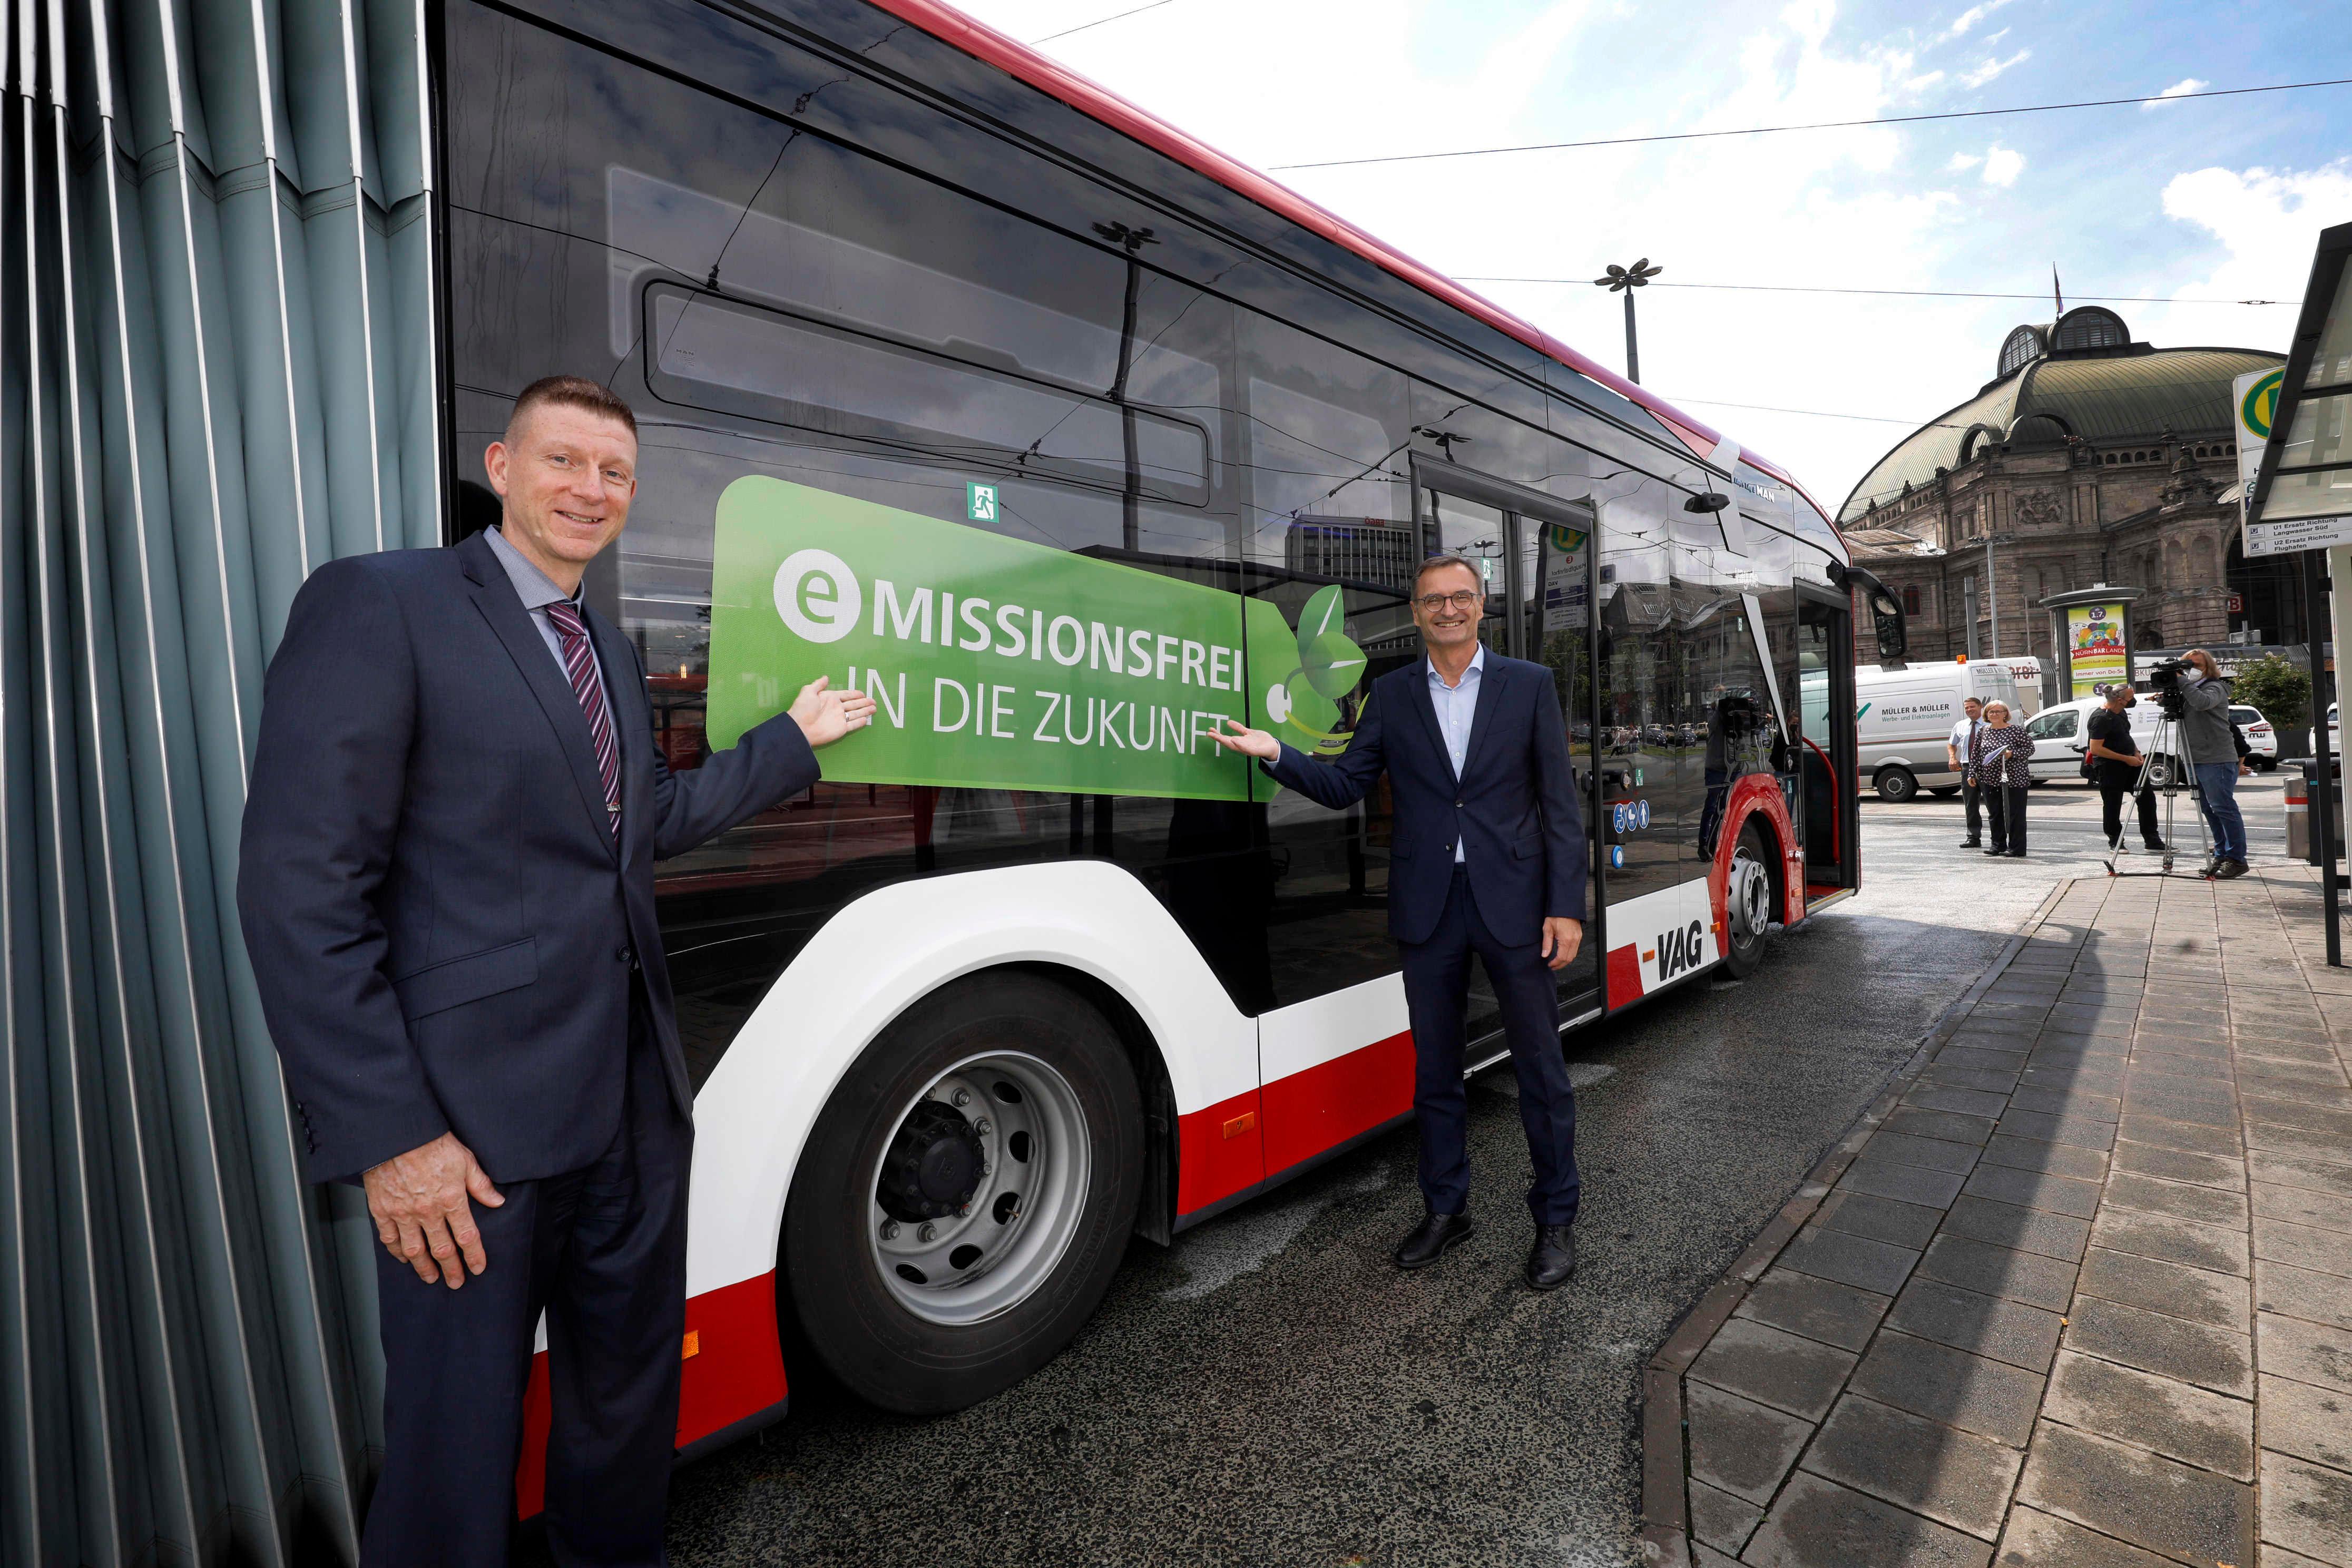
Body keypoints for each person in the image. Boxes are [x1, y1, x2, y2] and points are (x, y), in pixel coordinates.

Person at [237, 376, 875, 1567]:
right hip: (469, 1142)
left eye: (614, 471)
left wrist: (791, 741)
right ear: (501, 466)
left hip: (630, 1116)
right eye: (563, 460)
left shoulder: (607, 651)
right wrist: (393, 1136)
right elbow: (299, 894)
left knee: (625, 1415)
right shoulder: (382, 603)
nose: (590, 489)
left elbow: (649, 821)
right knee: (453, 1453)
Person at [1208, 554, 1588, 1291]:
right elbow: (1346, 782)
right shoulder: (1391, 693)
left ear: (1481, 606)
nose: (1448, 609)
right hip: (1428, 906)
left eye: (1460, 597)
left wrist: (1565, 905)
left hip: (1514, 903)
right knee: (1436, 1073)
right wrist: (1276, 753)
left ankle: (1555, 1220)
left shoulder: (1529, 685)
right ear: (1415, 614)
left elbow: (1558, 806)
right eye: (1432, 600)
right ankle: (1447, 1210)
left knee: (1542, 1071)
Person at [2179, 648, 2249, 878]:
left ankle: (2237, 859)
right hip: (2194, 758)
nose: (2191, 670)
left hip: (2216, 758)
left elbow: (2202, 703)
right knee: (2209, 809)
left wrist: (2182, 682)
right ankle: (2221, 854)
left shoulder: (2215, 687)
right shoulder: (2188, 690)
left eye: (2196, 666)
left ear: (2208, 668)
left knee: (2223, 808)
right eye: (2187, 666)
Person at [2086, 684, 2165, 852]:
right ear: (2120, 700)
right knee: (2113, 804)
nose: (2133, 699)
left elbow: (2125, 736)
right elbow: (2096, 749)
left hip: (2131, 762)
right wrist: (2126, 759)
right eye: (2131, 697)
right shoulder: (2101, 718)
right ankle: (2115, 841)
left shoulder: (2121, 712)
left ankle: (2152, 840)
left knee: (2147, 798)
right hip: (2109, 767)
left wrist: (2136, 752)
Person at [1970, 700, 2035, 857]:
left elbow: (2030, 749)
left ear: (2005, 714)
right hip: (1990, 779)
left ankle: (2017, 848)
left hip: (2015, 779)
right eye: (1991, 712)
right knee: (1995, 813)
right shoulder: (1984, 731)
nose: (1995, 714)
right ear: (1986, 715)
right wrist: (1972, 773)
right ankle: (1997, 845)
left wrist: (2012, 754)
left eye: (1999, 712)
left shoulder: (2016, 730)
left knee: (2015, 814)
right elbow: (1976, 754)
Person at [1947, 696, 1987, 847]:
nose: (1969, 710)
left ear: (1980, 707)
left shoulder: (1989, 725)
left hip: (1987, 767)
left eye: (1972, 707)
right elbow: (1952, 744)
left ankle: (1998, 839)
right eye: (1967, 708)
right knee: (1971, 805)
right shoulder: (1960, 725)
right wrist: (1953, 757)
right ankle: (1973, 838)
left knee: (1993, 804)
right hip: (1967, 767)